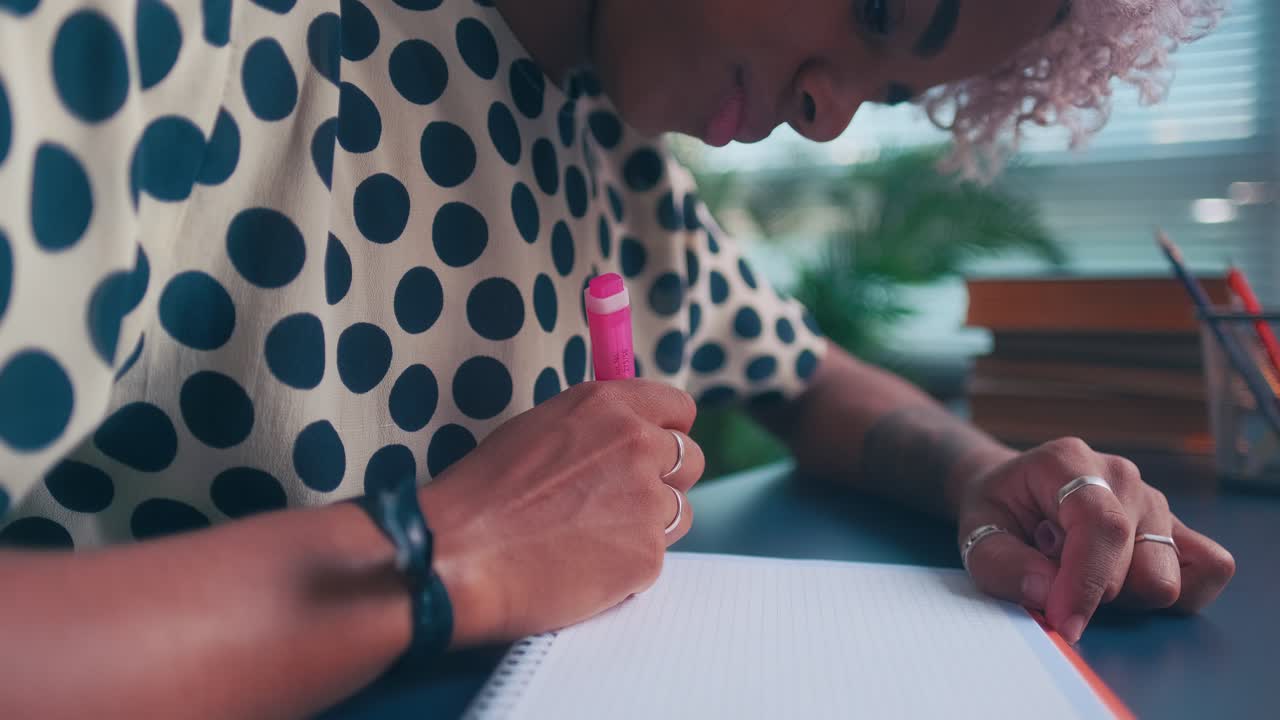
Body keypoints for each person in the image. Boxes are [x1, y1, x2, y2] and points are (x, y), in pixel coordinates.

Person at [0, 0, 1235, 716]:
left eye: (894, 94)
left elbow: (805, 377)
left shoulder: (606, 150)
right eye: (872, 7)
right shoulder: (184, 42)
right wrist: (443, 556)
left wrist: (981, 473)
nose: (827, 113)